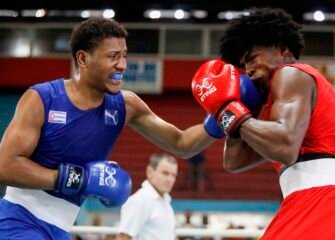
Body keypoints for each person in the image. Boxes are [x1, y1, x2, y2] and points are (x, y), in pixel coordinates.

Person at [0, 17, 220, 240]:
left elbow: (182, 143)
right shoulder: (42, 99)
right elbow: (4, 166)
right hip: (19, 221)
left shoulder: (126, 105)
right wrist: (77, 179)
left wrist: (221, 119)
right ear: (83, 58)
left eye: (124, 55)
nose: (122, 65)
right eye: (113, 56)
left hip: (60, 229)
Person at [191, 7, 335, 239]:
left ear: (281, 49)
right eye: (244, 65)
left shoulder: (291, 74)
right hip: (331, 202)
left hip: (323, 199)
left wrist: (226, 110)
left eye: (252, 59)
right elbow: (234, 161)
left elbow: (284, 147)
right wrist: (238, 106)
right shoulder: (279, 107)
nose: (248, 70)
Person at [116, 153, 178, 240]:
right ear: (150, 172)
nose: (170, 179)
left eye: (173, 175)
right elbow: (123, 238)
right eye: (165, 173)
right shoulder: (140, 200)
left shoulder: (166, 202)